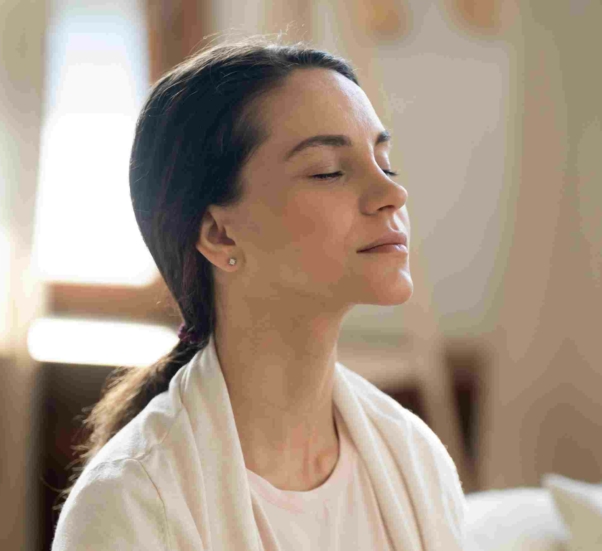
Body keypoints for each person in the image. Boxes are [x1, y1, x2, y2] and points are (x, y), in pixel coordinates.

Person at [51, 37, 467, 550]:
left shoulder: (414, 458)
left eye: (385, 162)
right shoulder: (131, 504)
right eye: (329, 171)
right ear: (219, 234)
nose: (392, 194)